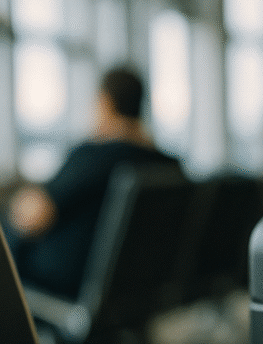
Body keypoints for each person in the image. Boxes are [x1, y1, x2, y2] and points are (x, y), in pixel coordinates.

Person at [3, 67, 181, 299]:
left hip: (69, 284)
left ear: (104, 104)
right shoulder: (168, 165)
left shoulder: (95, 156)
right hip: (135, 289)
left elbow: (34, 215)